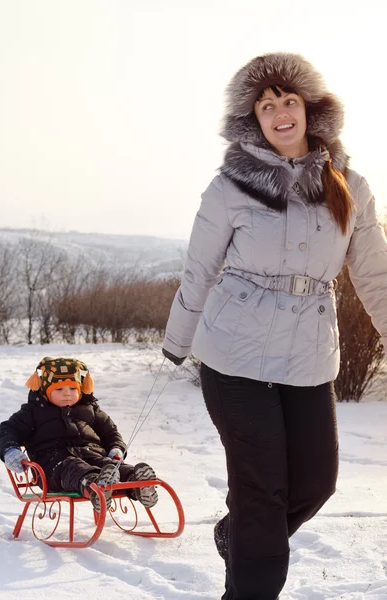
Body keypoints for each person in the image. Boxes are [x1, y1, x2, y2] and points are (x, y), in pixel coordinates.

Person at [162, 52, 387, 600]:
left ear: (310, 110)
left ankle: (237, 536)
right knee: (261, 492)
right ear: (253, 119)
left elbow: (374, 273)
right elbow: (199, 269)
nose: (281, 113)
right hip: (234, 357)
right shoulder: (229, 188)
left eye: (290, 101)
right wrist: (177, 342)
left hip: (309, 357)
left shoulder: (349, 185)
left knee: (315, 483)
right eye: (267, 105)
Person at [0, 356, 158, 512]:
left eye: (73, 388)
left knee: (110, 466)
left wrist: (117, 448)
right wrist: (10, 450)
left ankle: (136, 485)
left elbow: (111, 432)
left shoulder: (90, 409)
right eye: (59, 389)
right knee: (73, 468)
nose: (67, 393)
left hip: (92, 454)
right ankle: (95, 488)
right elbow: (9, 429)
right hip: (53, 465)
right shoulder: (33, 412)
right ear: (45, 391)